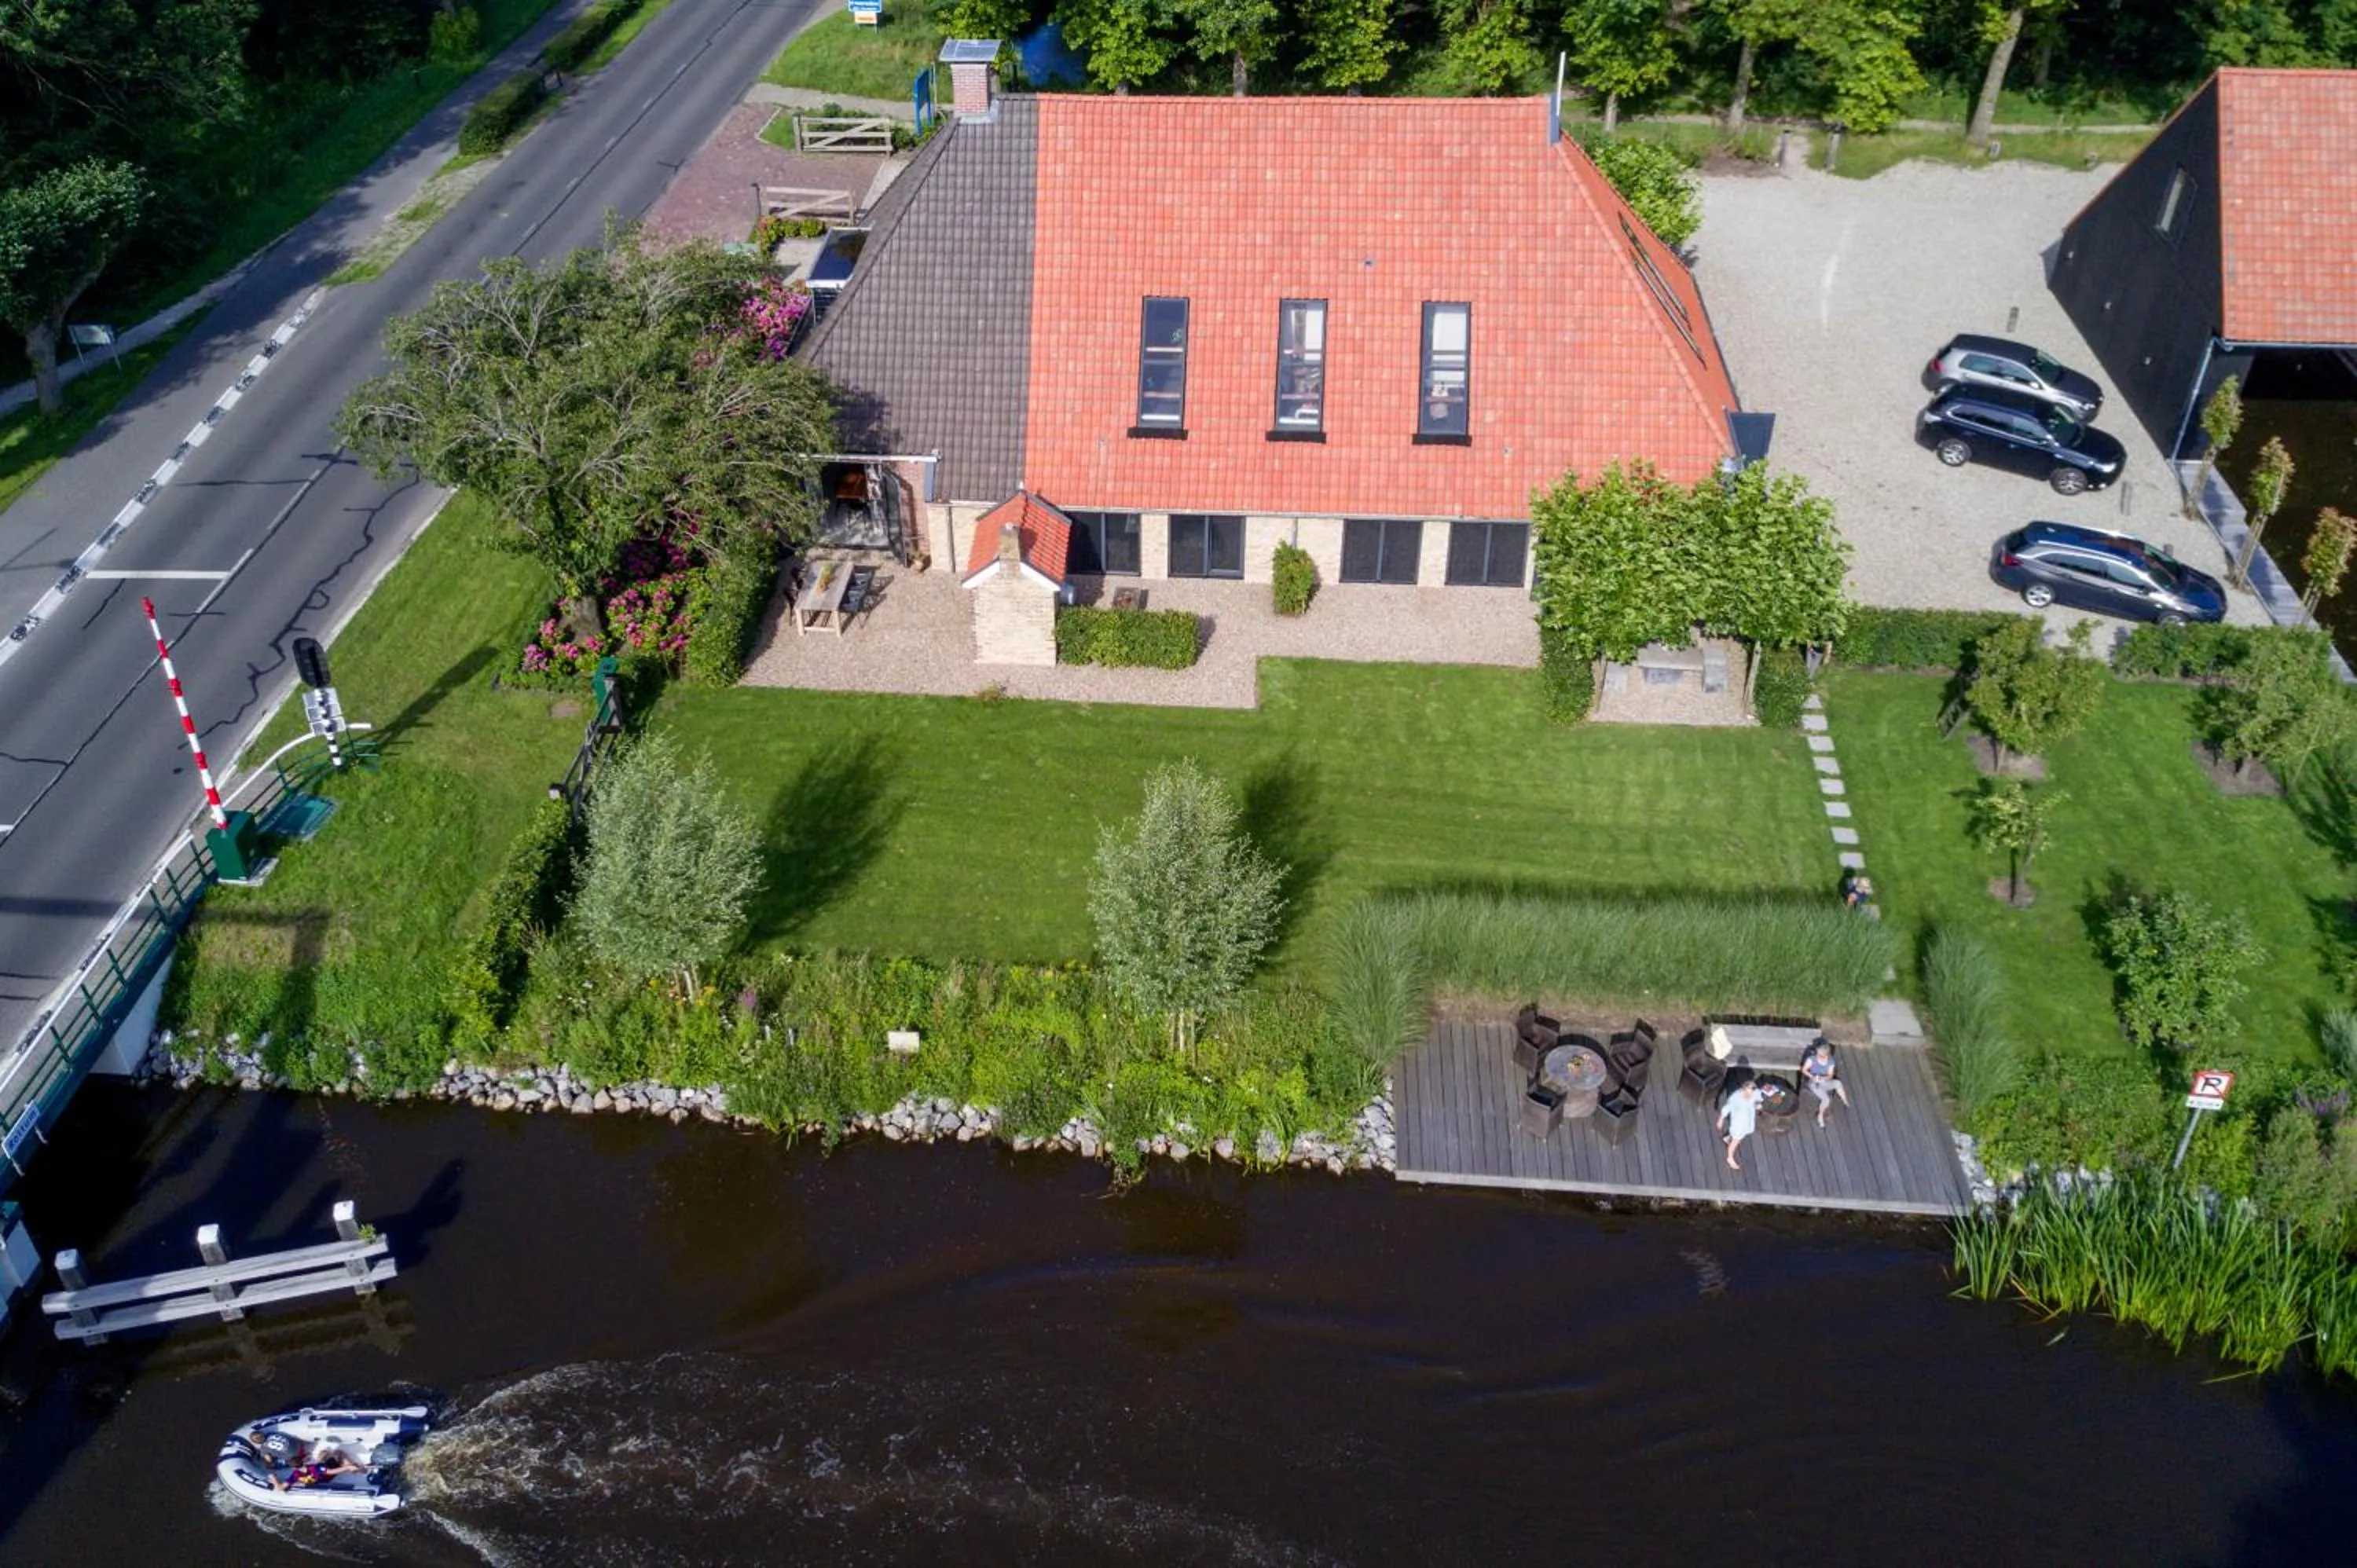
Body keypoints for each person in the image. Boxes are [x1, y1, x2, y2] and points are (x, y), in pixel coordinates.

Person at [1803, 1042, 1852, 1129]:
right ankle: (1820, 1116)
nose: (1818, 1056)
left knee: (1838, 1083)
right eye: (1818, 1054)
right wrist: (1812, 1076)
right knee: (1826, 1099)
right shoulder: (1812, 1059)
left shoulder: (1830, 1062)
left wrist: (1824, 1078)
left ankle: (1845, 1101)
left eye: (1820, 1055)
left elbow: (1830, 1075)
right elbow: (1804, 1070)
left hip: (1824, 1082)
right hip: (1814, 1083)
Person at [273, 1445, 365, 1490]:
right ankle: (354, 1469)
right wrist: (348, 1467)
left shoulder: (295, 1476)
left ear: (294, 1468)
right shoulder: (314, 1468)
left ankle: (342, 1462)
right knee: (338, 1452)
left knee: (322, 1455)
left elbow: (280, 1487)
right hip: (328, 1476)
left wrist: (274, 1479)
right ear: (303, 1462)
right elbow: (331, 1472)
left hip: (319, 1480)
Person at [1717, 1079, 1761, 1171]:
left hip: (1748, 1121)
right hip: (1738, 1125)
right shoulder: (1735, 1098)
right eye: (1747, 1093)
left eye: (1751, 1093)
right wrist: (1721, 1120)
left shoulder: (1755, 1093)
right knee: (1736, 1141)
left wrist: (1758, 1104)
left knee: (1741, 1135)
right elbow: (1726, 1108)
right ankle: (1730, 1158)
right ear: (1743, 1089)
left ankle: (1728, 1138)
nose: (1749, 1095)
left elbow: (1758, 1099)